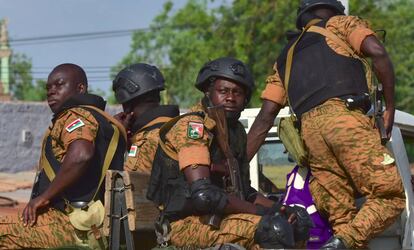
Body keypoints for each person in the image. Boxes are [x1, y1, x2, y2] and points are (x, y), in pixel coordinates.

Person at [246, 0, 405, 248]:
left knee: (342, 218)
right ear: (334, 9)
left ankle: (341, 240)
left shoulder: (285, 56)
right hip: (345, 119)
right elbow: (377, 51)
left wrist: (234, 164)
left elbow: (265, 117)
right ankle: (343, 242)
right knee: (391, 195)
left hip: (311, 137)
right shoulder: (340, 24)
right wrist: (390, 107)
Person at [146, 57, 312, 249]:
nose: (231, 98)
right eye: (223, 91)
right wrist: (263, 213)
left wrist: (279, 208)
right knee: (273, 229)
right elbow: (204, 196)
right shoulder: (193, 127)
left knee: (298, 221)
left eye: (238, 93)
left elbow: (245, 192)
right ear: (208, 92)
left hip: (222, 218)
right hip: (184, 225)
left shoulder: (236, 132)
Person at [0, 63, 126, 249]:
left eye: (59, 85)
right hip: (94, 224)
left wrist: (43, 197)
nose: (51, 91)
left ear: (80, 88)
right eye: (48, 88)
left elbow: (81, 154)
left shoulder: (74, 115)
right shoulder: (103, 121)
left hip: (70, 223)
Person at [112, 63, 180, 174]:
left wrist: (117, 140)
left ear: (127, 106)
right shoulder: (174, 126)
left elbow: (126, 186)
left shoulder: (148, 141)